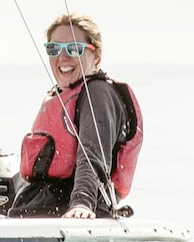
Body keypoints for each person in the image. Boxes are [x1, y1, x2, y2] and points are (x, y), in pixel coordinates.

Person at [8, 13, 143, 219]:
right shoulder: (60, 96)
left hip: (73, 215)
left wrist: (82, 202)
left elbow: (93, 154)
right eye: (54, 49)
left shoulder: (97, 94)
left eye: (74, 48)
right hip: (34, 211)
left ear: (96, 56)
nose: (63, 57)